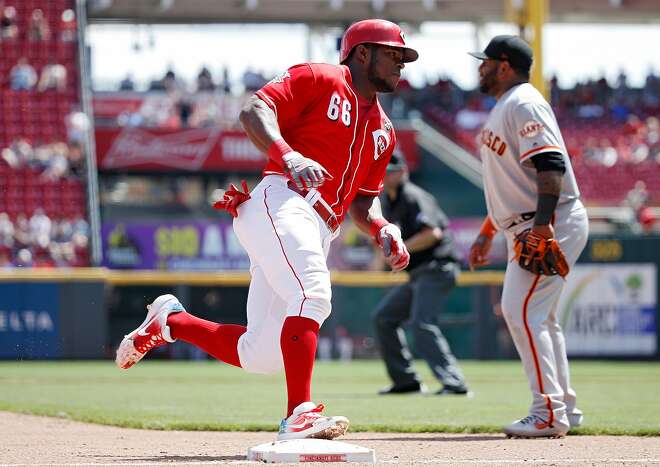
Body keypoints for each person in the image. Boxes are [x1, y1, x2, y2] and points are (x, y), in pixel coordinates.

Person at [115, 19, 417, 441]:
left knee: (261, 354)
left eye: (403, 56)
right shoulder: (320, 76)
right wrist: (289, 154)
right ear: (362, 52)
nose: (401, 63)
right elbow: (253, 109)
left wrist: (383, 226)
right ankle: (299, 415)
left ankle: (170, 321)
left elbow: (363, 201)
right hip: (283, 201)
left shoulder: (383, 129)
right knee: (312, 292)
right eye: (393, 53)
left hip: (320, 225)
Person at [468, 35, 588, 438]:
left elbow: (550, 165)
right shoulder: (507, 106)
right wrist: (488, 232)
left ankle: (547, 412)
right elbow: (511, 182)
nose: (480, 68)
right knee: (541, 317)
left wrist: (541, 224)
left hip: (548, 220)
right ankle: (563, 407)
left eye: (485, 62)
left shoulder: (523, 102)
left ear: (503, 65)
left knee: (520, 310)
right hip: (525, 221)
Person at [373, 152, 468, 396]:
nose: (386, 176)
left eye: (390, 171)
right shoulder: (388, 200)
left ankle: (454, 383)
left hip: (438, 269)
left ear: (402, 172)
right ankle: (406, 381)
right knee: (384, 318)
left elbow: (432, 234)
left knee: (421, 323)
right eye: (383, 171)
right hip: (419, 274)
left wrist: (401, 246)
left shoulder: (413, 196)